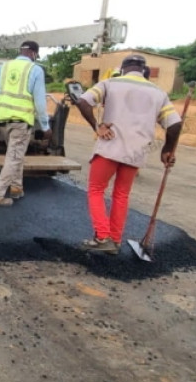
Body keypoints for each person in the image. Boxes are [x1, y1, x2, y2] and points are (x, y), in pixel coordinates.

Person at [74, 54, 182, 254]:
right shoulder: (159, 93)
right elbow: (175, 124)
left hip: (109, 146)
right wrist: (167, 150)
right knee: (121, 195)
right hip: (136, 152)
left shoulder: (110, 83)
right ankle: (115, 240)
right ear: (144, 71)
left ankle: (102, 237)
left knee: (96, 190)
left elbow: (82, 101)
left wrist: (97, 127)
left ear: (124, 68)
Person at [0, 40, 50, 207]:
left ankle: (16, 188)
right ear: (34, 53)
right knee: (13, 158)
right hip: (21, 122)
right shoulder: (35, 69)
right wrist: (45, 126)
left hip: (3, 121)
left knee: (16, 155)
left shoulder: (2, 68)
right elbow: (40, 101)